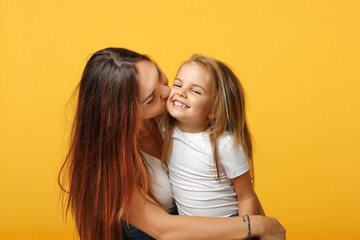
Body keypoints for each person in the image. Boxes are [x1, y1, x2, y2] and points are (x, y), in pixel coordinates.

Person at [58, 47, 286, 240]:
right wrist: (254, 226)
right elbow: (163, 230)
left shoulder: (172, 116)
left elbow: (239, 186)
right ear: (125, 116)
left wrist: (259, 227)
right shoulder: (106, 170)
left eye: (159, 75)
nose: (169, 92)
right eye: (151, 97)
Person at [161, 54, 262, 218]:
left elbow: (246, 197)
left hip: (228, 226)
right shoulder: (165, 128)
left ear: (215, 110)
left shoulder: (225, 144)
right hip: (190, 228)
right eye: (178, 84)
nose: (181, 93)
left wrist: (247, 232)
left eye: (195, 91)